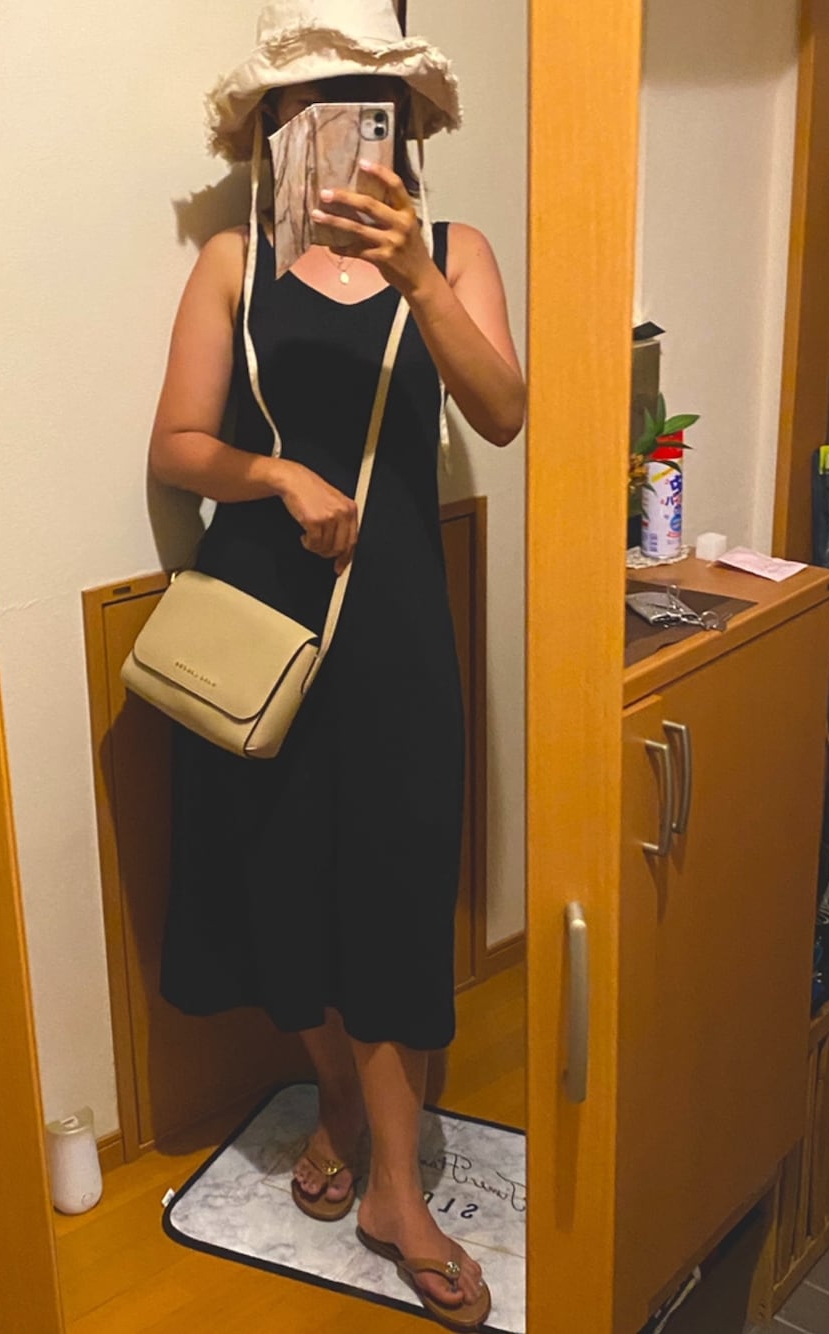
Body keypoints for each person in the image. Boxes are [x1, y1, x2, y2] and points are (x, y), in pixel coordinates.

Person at [148, 2, 524, 1328]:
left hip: (399, 610)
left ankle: (393, 1190)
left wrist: (418, 275)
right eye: (307, 104)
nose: (338, 127)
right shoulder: (232, 263)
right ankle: (339, 1105)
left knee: (395, 872)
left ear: (402, 123)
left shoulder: (456, 252)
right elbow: (177, 446)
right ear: (270, 127)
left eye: (368, 103)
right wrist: (279, 476)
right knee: (282, 868)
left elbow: (504, 410)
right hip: (262, 613)